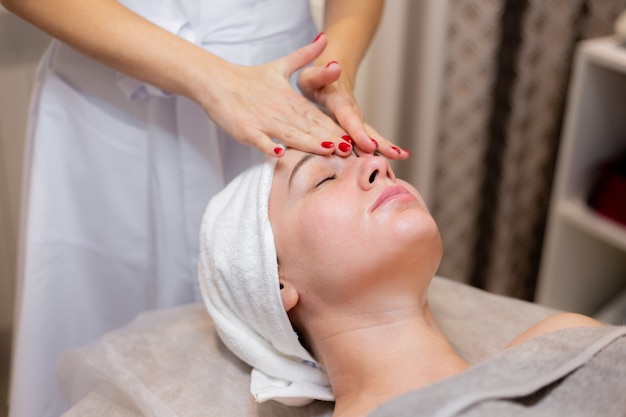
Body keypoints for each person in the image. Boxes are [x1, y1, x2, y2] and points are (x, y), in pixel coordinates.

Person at [1, 1, 410, 416]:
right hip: (108, 93)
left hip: (284, 91)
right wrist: (211, 79)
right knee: (93, 328)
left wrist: (336, 63)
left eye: (324, 179)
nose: (377, 166)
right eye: (326, 178)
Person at [199, 148, 625, 417]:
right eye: (324, 178)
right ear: (274, 287)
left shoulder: (564, 343)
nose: (379, 164)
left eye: (365, 156)